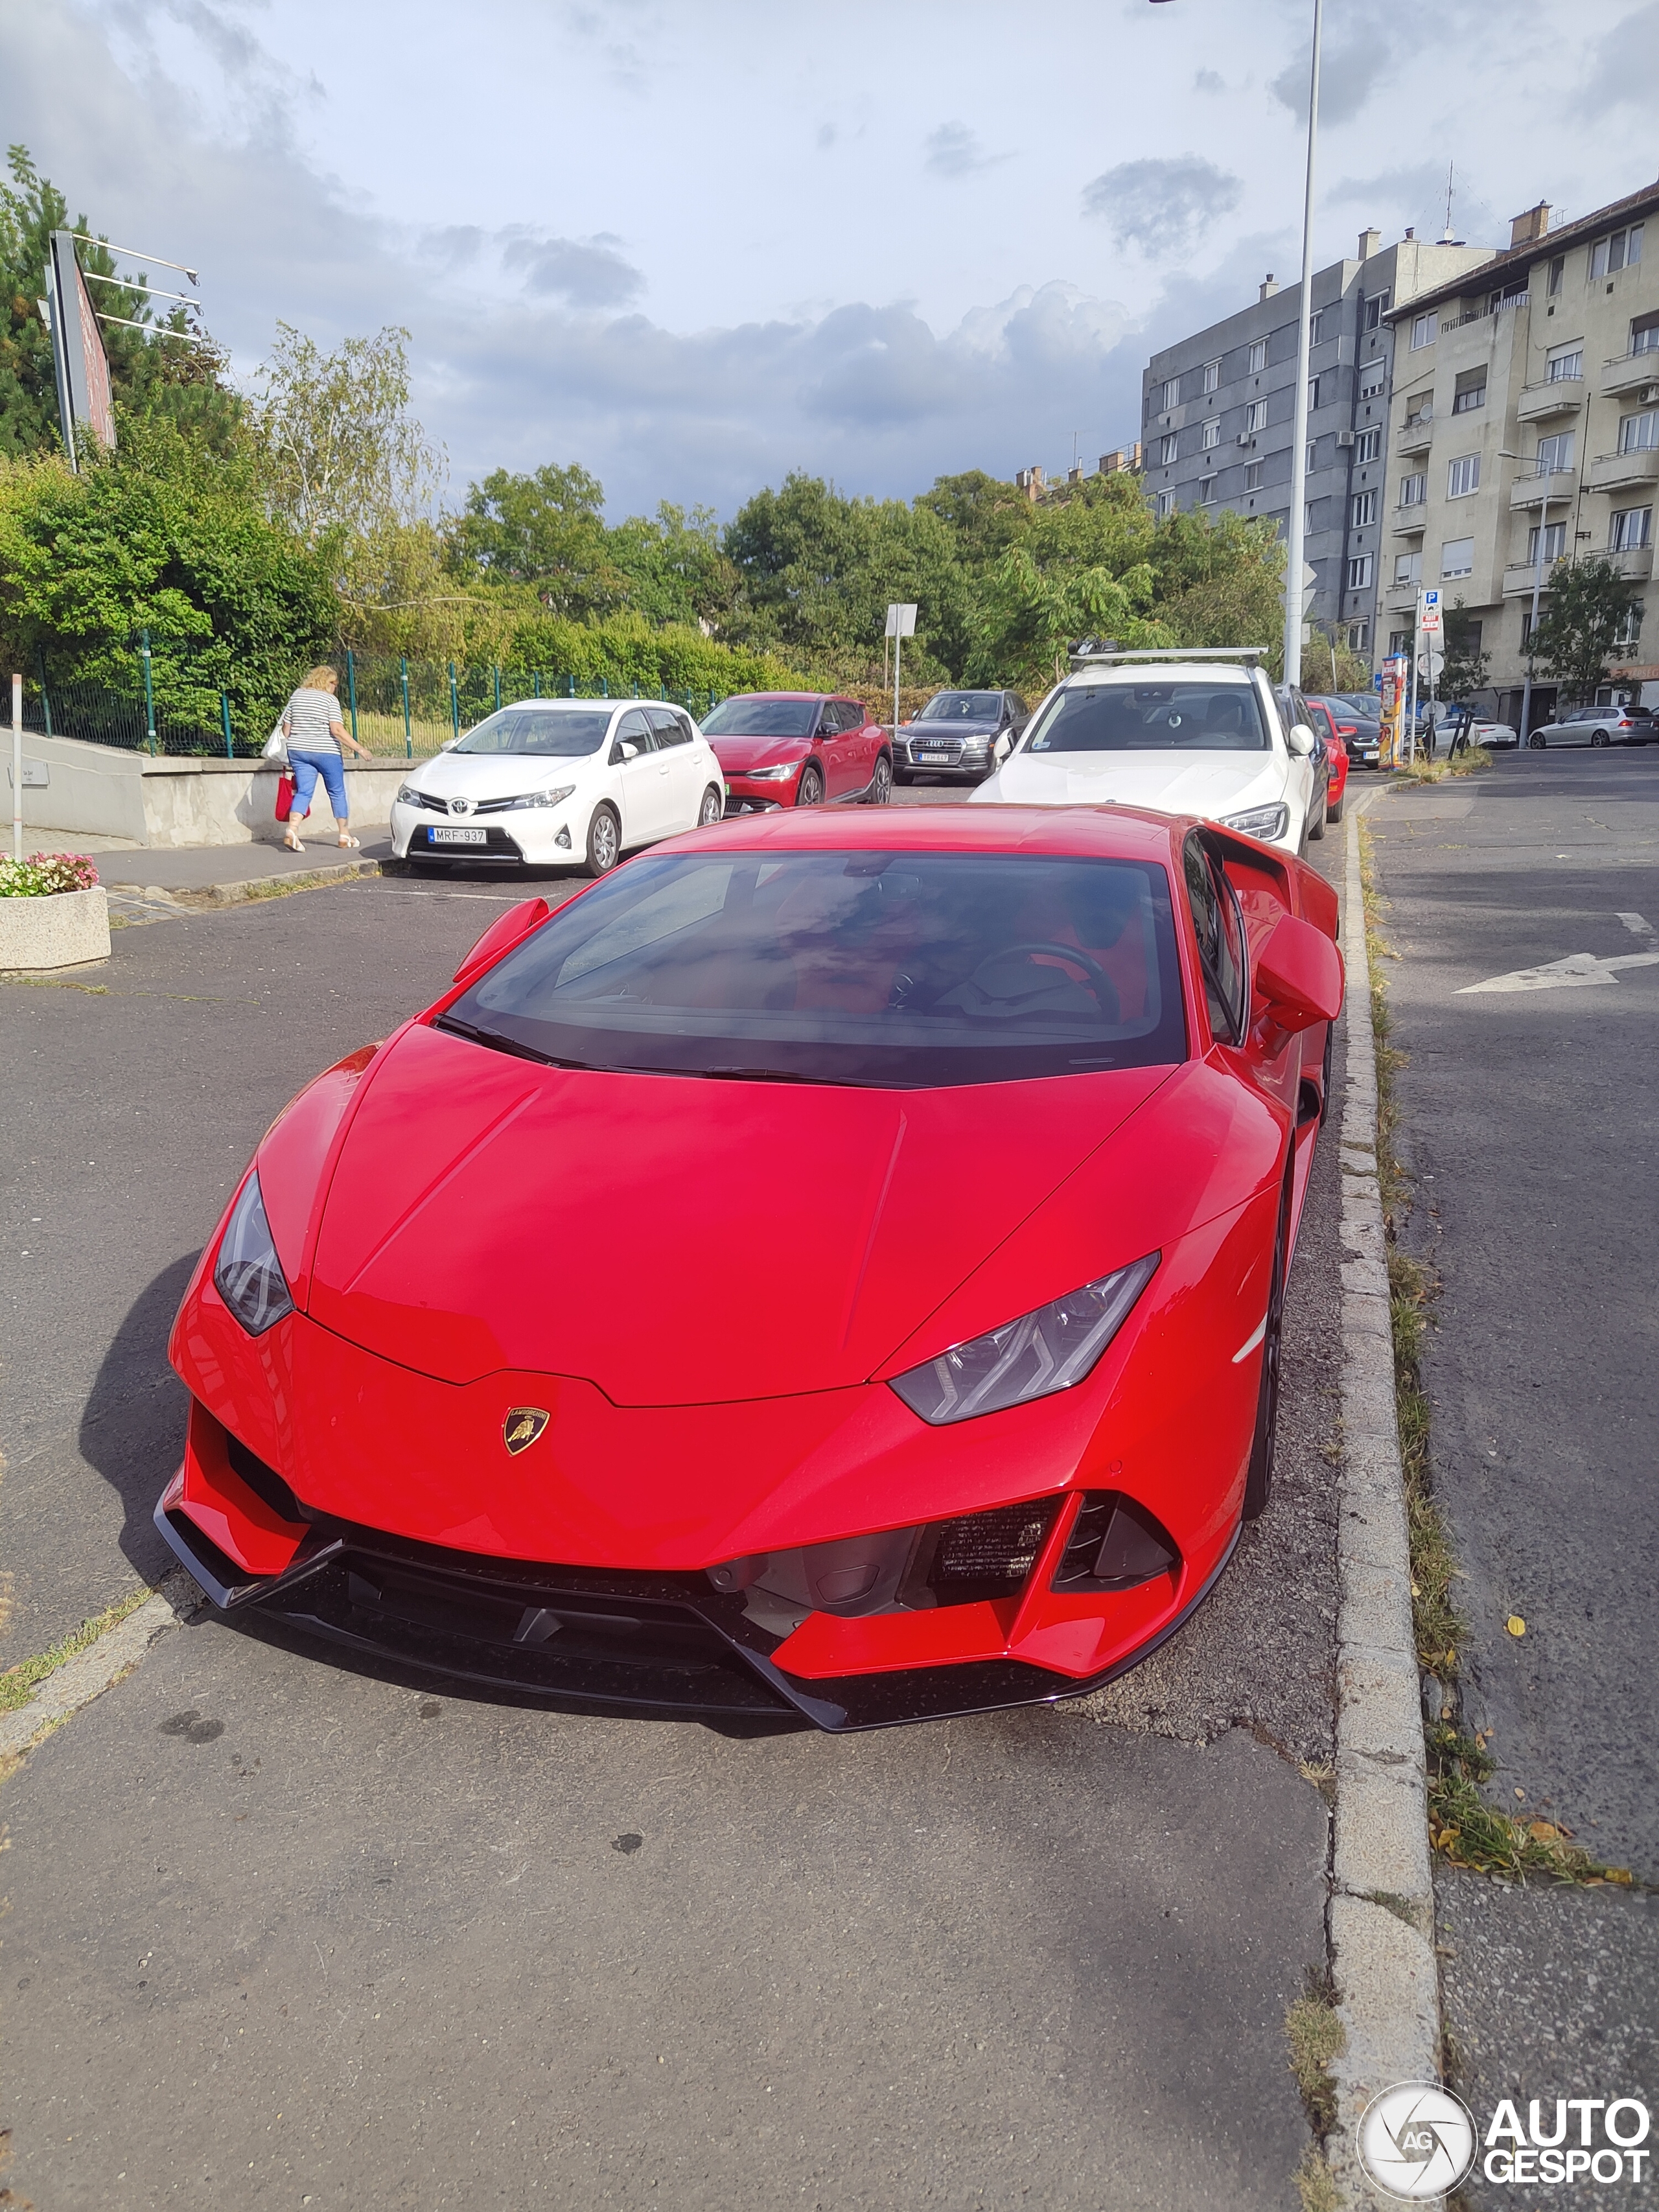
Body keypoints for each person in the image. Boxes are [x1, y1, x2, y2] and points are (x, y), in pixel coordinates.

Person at [278, 665, 373, 852]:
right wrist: (359, 749)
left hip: (298, 751)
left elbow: (286, 729)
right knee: (337, 792)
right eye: (334, 683)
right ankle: (344, 835)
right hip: (326, 752)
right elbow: (336, 730)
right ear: (327, 682)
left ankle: (292, 829)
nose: (335, 687)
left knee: (304, 792)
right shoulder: (330, 700)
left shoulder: (297, 695)